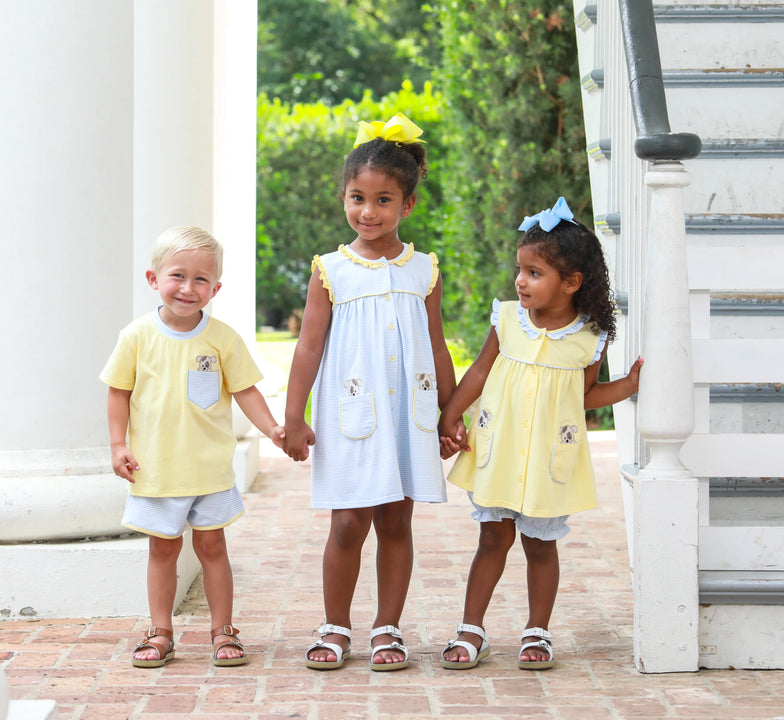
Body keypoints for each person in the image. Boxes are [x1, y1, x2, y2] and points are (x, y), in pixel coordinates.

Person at [437, 197, 643, 671]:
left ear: (571, 283)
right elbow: (479, 374)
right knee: (492, 537)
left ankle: (537, 630)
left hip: (550, 458)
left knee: (540, 544)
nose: (521, 281)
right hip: (501, 451)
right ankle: (472, 628)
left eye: (534, 273)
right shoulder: (507, 319)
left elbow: (583, 397)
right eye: (520, 269)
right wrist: (451, 414)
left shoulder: (590, 338)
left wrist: (627, 387)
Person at [282, 113, 457, 672]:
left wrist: (450, 413)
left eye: (384, 200)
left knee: (396, 522)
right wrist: (294, 415)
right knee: (348, 523)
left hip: (408, 416)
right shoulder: (330, 270)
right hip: (351, 415)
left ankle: (388, 627)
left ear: (407, 205)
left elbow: (436, 345)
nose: (369, 211)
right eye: (358, 197)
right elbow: (308, 348)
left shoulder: (424, 269)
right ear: (344, 197)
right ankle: (336, 625)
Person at [100, 226, 285, 668]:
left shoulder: (221, 339)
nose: (188, 288)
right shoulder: (136, 336)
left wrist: (273, 429)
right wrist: (116, 444)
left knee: (212, 548)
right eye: (177, 276)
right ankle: (160, 631)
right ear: (153, 279)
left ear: (215, 288)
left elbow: (246, 391)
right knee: (162, 549)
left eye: (201, 280)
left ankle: (223, 630)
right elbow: (118, 392)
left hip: (209, 469)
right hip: (156, 468)